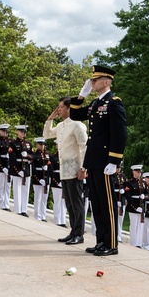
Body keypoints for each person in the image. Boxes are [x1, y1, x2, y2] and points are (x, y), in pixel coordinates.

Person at [70, 65, 127, 257]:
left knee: (107, 203)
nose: (92, 83)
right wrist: (81, 96)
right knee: (96, 203)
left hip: (105, 162)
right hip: (94, 160)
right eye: (91, 80)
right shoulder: (95, 104)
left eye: (96, 80)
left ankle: (111, 244)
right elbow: (75, 114)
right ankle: (101, 241)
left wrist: (114, 161)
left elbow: (120, 134)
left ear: (107, 81)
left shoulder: (114, 103)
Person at [44, 97, 89, 244]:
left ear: (69, 108)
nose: (59, 110)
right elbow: (47, 135)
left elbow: (84, 147)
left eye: (61, 107)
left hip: (76, 168)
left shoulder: (78, 125)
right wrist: (50, 119)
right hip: (64, 169)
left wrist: (84, 168)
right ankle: (73, 231)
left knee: (77, 203)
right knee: (69, 203)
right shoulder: (62, 125)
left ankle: (79, 234)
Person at [8, 125, 32, 216]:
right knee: (17, 189)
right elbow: (12, 159)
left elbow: (33, 156)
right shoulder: (13, 143)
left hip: (26, 168)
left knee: (25, 190)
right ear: (17, 132)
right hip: (17, 168)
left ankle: (24, 210)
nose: (23, 134)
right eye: (21, 132)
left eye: (24, 132)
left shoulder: (28, 143)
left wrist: (28, 156)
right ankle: (18, 209)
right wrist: (18, 170)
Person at [0, 124, 12, 211]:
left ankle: (6, 204)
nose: (5, 132)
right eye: (3, 131)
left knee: (7, 186)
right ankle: (1, 203)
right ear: (0, 131)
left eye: (6, 131)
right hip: (0, 165)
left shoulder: (11, 141)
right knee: (1, 185)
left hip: (9, 165)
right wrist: (2, 167)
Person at [31, 137, 51, 221]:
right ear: (37, 145)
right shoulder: (35, 155)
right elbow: (34, 169)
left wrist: (48, 169)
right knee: (38, 198)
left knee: (44, 198)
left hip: (46, 179)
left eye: (43, 145)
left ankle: (43, 215)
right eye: (40, 144)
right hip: (38, 179)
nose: (42, 146)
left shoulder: (47, 155)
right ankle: (37, 215)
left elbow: (50, 166)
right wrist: (39, 179)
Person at [124, 165, 145, 247]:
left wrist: (145, 196)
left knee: (140, 226)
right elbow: (128, 196)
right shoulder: (129, 183)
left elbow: (147, 193)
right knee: (134, 225)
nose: (139, 173)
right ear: (133, 172)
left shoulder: (143, 183)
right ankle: (133, 243)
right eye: (137, 171)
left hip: (141, 206)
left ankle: (139, 243)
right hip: (133, 207)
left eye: (140, 172)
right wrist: (136, 207)